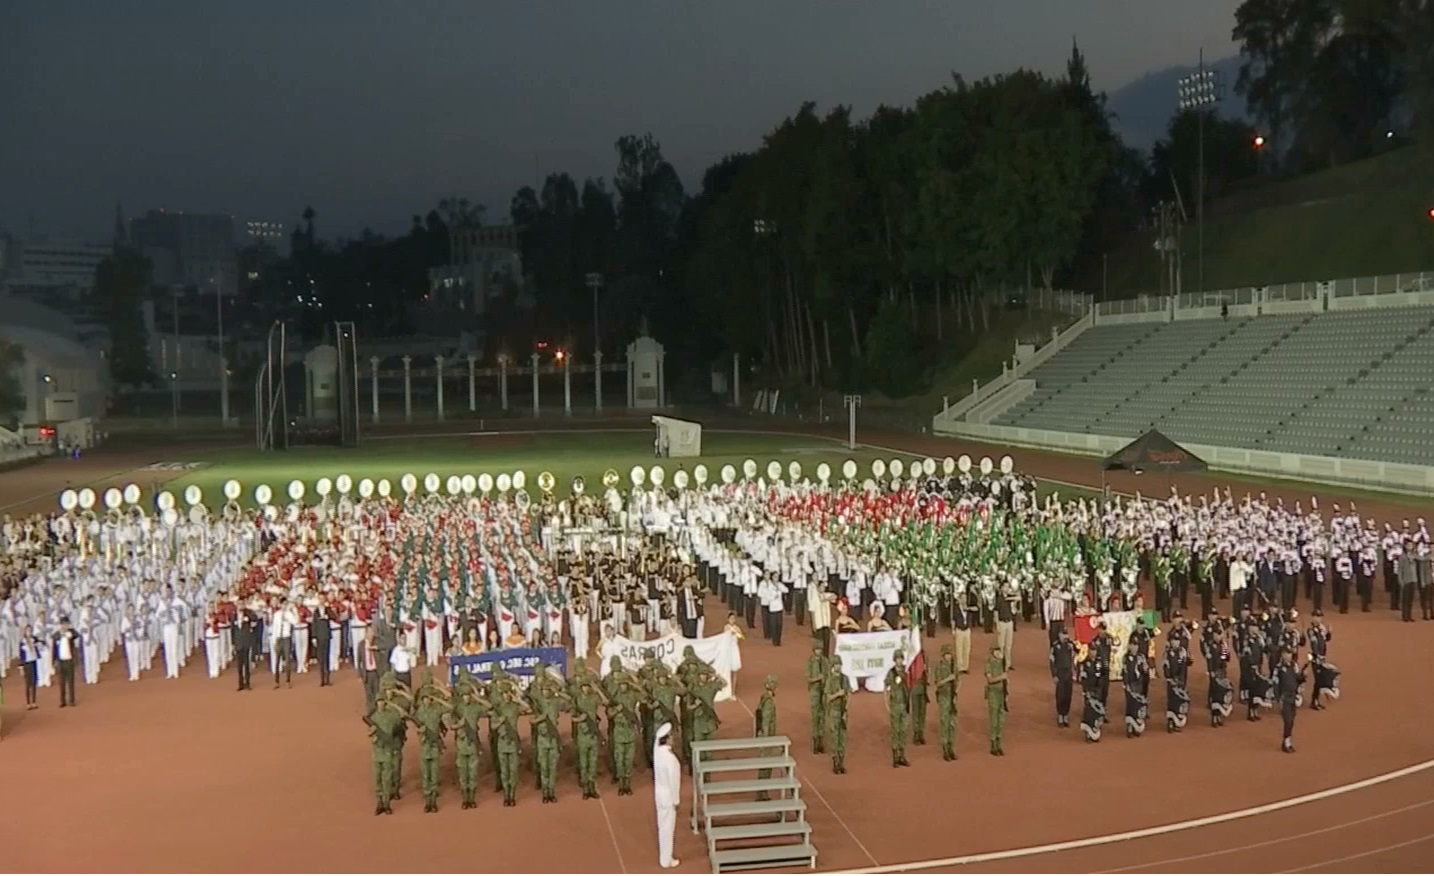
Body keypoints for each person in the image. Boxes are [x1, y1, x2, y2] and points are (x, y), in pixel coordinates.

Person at [653, 722, 682, 870]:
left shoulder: (658, 752)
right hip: (668, 796)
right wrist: (676, 800)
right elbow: (674, 782)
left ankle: (664, 857)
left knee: (661, 825)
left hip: (659, 793)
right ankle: (666, 859)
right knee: (668, 828)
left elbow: (656, 743)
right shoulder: (671, 759)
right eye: (671, 736)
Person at [1273, 650, 1306, 753]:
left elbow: (1297, 679)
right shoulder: (1278, 669)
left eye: (1290, 653)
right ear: (1282, 655)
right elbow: (1276, 685)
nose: (1289, 655)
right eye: (1287, 653)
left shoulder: (1293, 666)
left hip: (1293, 697)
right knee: (1287, 721)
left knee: (1291, 721)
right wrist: (1278, 699)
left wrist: (1303, 675)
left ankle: (1287, 741)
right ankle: (1286, 742)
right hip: (1285, 698)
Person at [753, 675, 778, 801]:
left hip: (762, 736)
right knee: (766, 768)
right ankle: (762, 793)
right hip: (766, 738)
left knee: (764, 767)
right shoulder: (768, 702)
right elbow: (766, 722)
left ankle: (761, 792)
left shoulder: (763, 698)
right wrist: (768, 741)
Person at [884, 650, 911, 768]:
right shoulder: (891, 673)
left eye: (901, 658)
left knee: (903, 730)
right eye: (897, 658)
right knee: (896, 731)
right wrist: (886, 704)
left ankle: (902, 755)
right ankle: (895, 756)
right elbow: (886, 686)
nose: (899, 660)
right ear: (894, 660)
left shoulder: (906, 671)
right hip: (895, 704)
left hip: (904, 704)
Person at [934, 643, 959, 761]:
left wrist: (956, 691)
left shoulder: (954, 666)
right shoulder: (939, 667)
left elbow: (958, 680)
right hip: (943, 697)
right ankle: (945, 749)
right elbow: (938, 683)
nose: (949, 656)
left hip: (952, 697)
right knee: (944, 723)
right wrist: (948, 679)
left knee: (952, 724)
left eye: (950, 654)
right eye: (947, 654)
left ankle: (951, 747)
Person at [825, 655, 849, 774]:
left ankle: (841, 763)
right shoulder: (830, 680)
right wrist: (838, 694)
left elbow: (848, 695)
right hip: (834, 712)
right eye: (836, 665)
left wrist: (846, 711)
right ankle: (835, 763)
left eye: (839, 664)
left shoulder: (845, 679)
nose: (838, 666)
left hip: (842, 712)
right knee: (835, 738)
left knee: (842, 739)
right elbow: (828, 698)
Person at [53, 615, 82, 708]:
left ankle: (71, 700)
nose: (64, 626)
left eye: (66, 624)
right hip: (60, 661)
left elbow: (77, 635)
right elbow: (54, 649)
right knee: (61, 682)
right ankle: (62, 701)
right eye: (63, 624)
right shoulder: (56, 635)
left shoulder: (71, 633)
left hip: (69, 660)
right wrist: (53, 660)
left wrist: (69, 632)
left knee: (70, 681)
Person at [1049, 627, 1075, 728]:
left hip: (1069, 673)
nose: (1065, 636)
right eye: (1063, 634)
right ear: (1059, 635)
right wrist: (1054, 675)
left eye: (1066, 634)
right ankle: (1060, 715)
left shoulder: (1070, 645)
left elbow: (1077, 653)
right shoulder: (1055, 647)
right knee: (1060, 695)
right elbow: (1052, 662)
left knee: (1068, 695)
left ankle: (1066, 715)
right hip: (1060, 673)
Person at [805, 640, 828, 754]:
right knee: (815, 717)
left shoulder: (825, 661)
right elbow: (808, 678)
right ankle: (815, 741)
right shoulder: (810, 662)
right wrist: (818, 678)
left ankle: (821, 741)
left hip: (823, 691)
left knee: (822, 716)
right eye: (817, 649)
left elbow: (828, 675)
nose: (819, 651)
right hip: (814, 691)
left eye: (820, 649)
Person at [984, 644, 1007, 756]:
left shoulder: (1001, 662)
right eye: (997, 651)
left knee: (1000, 719)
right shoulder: (989, 663)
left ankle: (999, 741)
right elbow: (990, 679)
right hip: (993, 693)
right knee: (994, 719)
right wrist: (1001, 677)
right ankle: (993, 744)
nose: (999, 653)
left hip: (1001, 693)